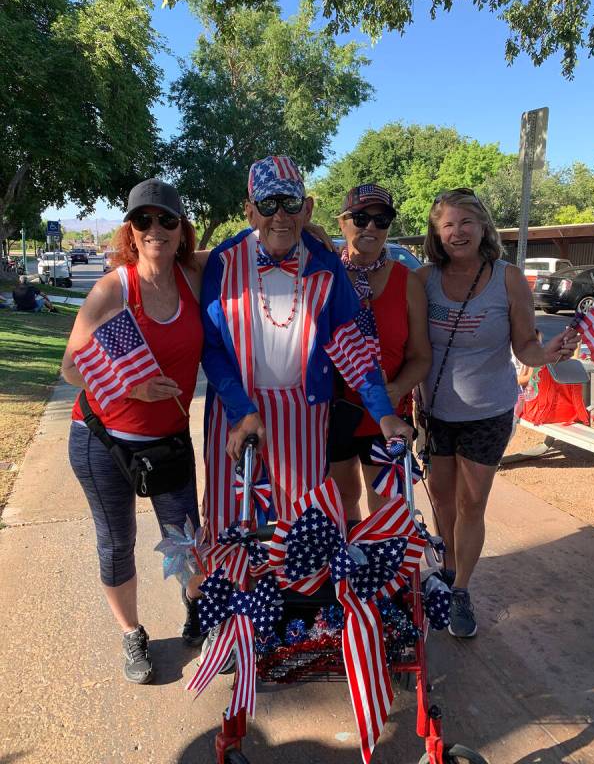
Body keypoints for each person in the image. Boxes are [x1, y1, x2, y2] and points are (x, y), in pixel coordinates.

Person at [200, 156, 411, 548]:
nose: (280, 216)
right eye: (267, 205)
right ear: (250, 212)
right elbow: (212, 349)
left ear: (308, 207)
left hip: (304, 417)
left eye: (290, 204)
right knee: (236, 526)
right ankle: (236, 609)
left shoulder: (325, 264)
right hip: (238, 415)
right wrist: (240, 410)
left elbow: (352, 346)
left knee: (302, 534)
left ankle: (299, 610)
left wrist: (384, 414)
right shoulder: (224, 262)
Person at [61, 179, 207, 684]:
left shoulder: (194, 275)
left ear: (181, 228)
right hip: (103, 441)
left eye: (167, 219)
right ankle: (132, 632)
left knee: (187, 541)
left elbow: (253, 246)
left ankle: (198, 614)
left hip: (168, 440)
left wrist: (316, 232)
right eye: (143, 219)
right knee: (116, 542)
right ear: (130, 228)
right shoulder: (113, 288)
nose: (155, 229)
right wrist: (129, 387)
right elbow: (70, 368)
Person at [416, 188, 579, 638]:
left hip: (488, 411)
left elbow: (525, 346)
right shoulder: (424, 279)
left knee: (472, 503)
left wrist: (548, 352)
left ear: (484, 227)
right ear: (436, 233)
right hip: (436, 413)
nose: (457, 231)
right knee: (442, 501)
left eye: (466, 222)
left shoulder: (507, 278)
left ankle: (462, 588)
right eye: (447, 224)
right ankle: (447, 569)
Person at [328, 184, 431, 520]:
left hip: (388, 413)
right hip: (336, 412)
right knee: (342, 503)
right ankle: (349, 570)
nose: (370, 227)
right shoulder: (324, 276)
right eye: (360, 218)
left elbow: (420, 355)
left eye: (381, 219)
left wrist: (398, 388)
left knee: (386, 509)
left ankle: (384, 571)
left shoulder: (408, 282)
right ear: (342, 223)